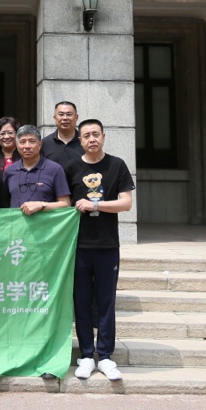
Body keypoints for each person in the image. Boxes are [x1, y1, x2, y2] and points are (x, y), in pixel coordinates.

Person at [64, 119, 134, 383]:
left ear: (103, 136)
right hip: (78, 245)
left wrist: (95, 205)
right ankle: (86, 355)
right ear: (79, 140)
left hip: (107, 244)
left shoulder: (117, 165)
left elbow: (126, 203)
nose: (91, 139)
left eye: (96, 134)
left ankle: (105, 356)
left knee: (106, 302)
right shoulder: (71, 167)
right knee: (81, 302)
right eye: (86, 135)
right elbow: (64, 203)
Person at [4, 125, 69, 216]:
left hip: (46, 224)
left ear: (40, 145)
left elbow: (65, 204)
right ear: (17, 145)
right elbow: (3, 204)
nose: (27, 146)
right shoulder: (9, 171)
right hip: (16, 224)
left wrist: (42, 205)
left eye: (32, 141)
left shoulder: (55, 169)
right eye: (22, 142)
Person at [41, 100, 84, 167]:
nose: (65, 118)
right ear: (55, 118)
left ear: (76, 117)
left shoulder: (85, 141)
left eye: (69, 114)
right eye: (61, 114)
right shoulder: (45, 143)